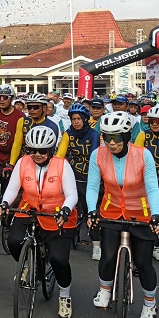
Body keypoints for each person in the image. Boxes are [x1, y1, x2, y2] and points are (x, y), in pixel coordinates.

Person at [87, 111, 159, 318]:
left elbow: (152, 188)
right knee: (108, 256)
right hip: (111, 211)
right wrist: (92, 210)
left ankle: (150, 303)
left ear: (127, 137)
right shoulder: (98, 154)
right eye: (106, 138)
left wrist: (156, 215)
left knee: (143, 262)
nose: (111, 143)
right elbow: (93, 186)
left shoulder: (143, 154)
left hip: (140, 211)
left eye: (116, 138)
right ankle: (104, 289)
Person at [3, 125, 77, 318]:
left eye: (42, 151)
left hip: (57, 213)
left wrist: (66, 209)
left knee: (58, 259)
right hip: (30, 209)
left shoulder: (62, 165)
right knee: (13, 241)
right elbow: (12, 189)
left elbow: (72, 194)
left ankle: (64, 295)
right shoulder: (23, 162)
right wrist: (4, 203)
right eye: (32, 150)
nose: (37, 154)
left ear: (51, 149)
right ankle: (30, 263)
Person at [56, 103, 100, 250]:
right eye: (73, 119)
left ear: (85, 119)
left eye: (79, 119)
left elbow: (94, 156)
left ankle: (96, 245)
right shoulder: (68, 134)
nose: (76, 122)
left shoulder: (94, 134)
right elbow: (60, 155)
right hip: (73, 173)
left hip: (90, 175)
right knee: (66, 204)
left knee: (90, 209)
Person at [0, 84, 23, 188]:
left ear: (11, 98)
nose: (1, 100)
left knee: (6, 187)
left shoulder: (20, 116)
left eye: (5, 98)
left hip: (9, 158)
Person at [9, 93, 61, 165]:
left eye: (36, 107)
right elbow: (17, 144)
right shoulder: (22, 121)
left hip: (44, 163)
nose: (32, 110)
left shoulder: (53, 126)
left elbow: (51, 151)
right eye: (29, 107)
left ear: (44, 108)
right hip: (24, 162)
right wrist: (11, 164)